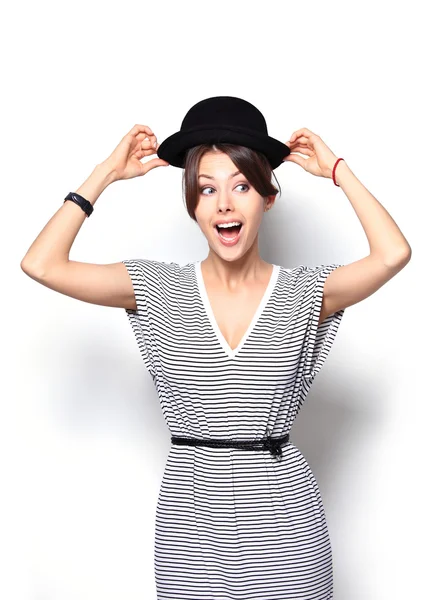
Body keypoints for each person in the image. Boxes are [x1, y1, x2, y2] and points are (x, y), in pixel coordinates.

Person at [21, 96, 411, 599]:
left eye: (242, 186)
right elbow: (42, 264)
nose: (224, 203)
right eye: (207, 189)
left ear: (267, 198)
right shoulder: (155, 288)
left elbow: (393, 253)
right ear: (193, 206)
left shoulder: (306, 292)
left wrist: (338, 171)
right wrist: (103, 175)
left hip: (287, 532)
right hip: (190, 533)